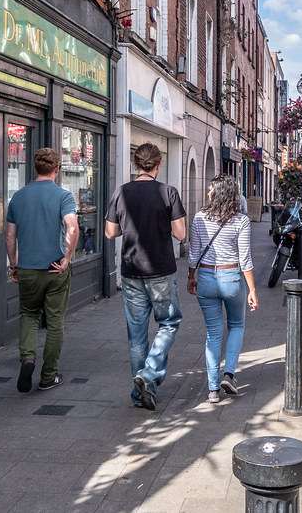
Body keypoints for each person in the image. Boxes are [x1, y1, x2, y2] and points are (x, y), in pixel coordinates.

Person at [104, 143, 187, 411]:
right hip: (161, 270)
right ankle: (148, 374)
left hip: (131, 271)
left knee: (136, 335)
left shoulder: (121, 192)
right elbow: (180, 234)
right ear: (158, 164)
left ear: (136, 163)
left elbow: (109, 232)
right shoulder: (168, 192)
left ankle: (142, 392)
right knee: (169, 323)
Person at [6, 147, 78, 393]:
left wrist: (14, 265)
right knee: (55, 322)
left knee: (28, 315)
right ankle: (48, 376)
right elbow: (72, 228)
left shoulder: (18, 197)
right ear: (56, 169)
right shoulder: (63, 196)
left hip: (27, 268)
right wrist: (67, 258)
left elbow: (10, 237)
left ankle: (27, 358)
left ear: (35, 168)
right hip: (54, 269)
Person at [187, 175, 259, 403]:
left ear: (217, 193)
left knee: (213, 333)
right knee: (237, 325)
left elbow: (194, 253)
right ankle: (229, 374)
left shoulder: (199, 218)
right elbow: (245, 259)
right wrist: (252, 291)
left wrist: (191, 277)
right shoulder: (241, 221)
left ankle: (213, 389)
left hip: (206, 279)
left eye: (210, 189)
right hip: (232, 279)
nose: (208, 193)